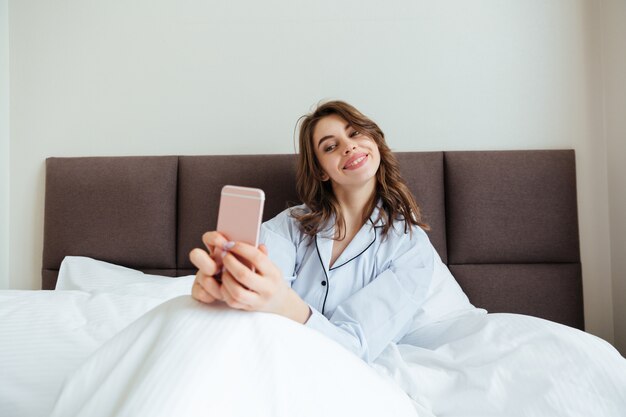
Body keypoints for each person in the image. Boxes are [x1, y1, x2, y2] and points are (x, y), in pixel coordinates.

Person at [190, 100, 435, 363]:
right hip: (274, 354)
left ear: (374, 142)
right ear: (320, 171)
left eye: (354, 133)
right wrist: (223, 293)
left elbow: (354, 346)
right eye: (331, 146)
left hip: (345, 370)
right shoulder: (288, 225)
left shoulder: (410, 247)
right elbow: (256, 303)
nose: (349, 146)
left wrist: (285, 304)